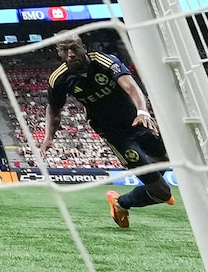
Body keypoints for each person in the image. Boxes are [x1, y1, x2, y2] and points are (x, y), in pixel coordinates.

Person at [41, 33, 175, 229]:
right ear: (58, 53)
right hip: (116, 136)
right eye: (64, 50)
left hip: (138, 122)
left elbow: (131, 87)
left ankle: (144, 191)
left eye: (74, 47)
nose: (70, 54)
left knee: (165, 160)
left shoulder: (105, 61)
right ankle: (124, 202)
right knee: (163, 193)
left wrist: (142, 111)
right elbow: (54, 109)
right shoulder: (59, 79)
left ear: (83, 47)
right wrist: (48, 137)